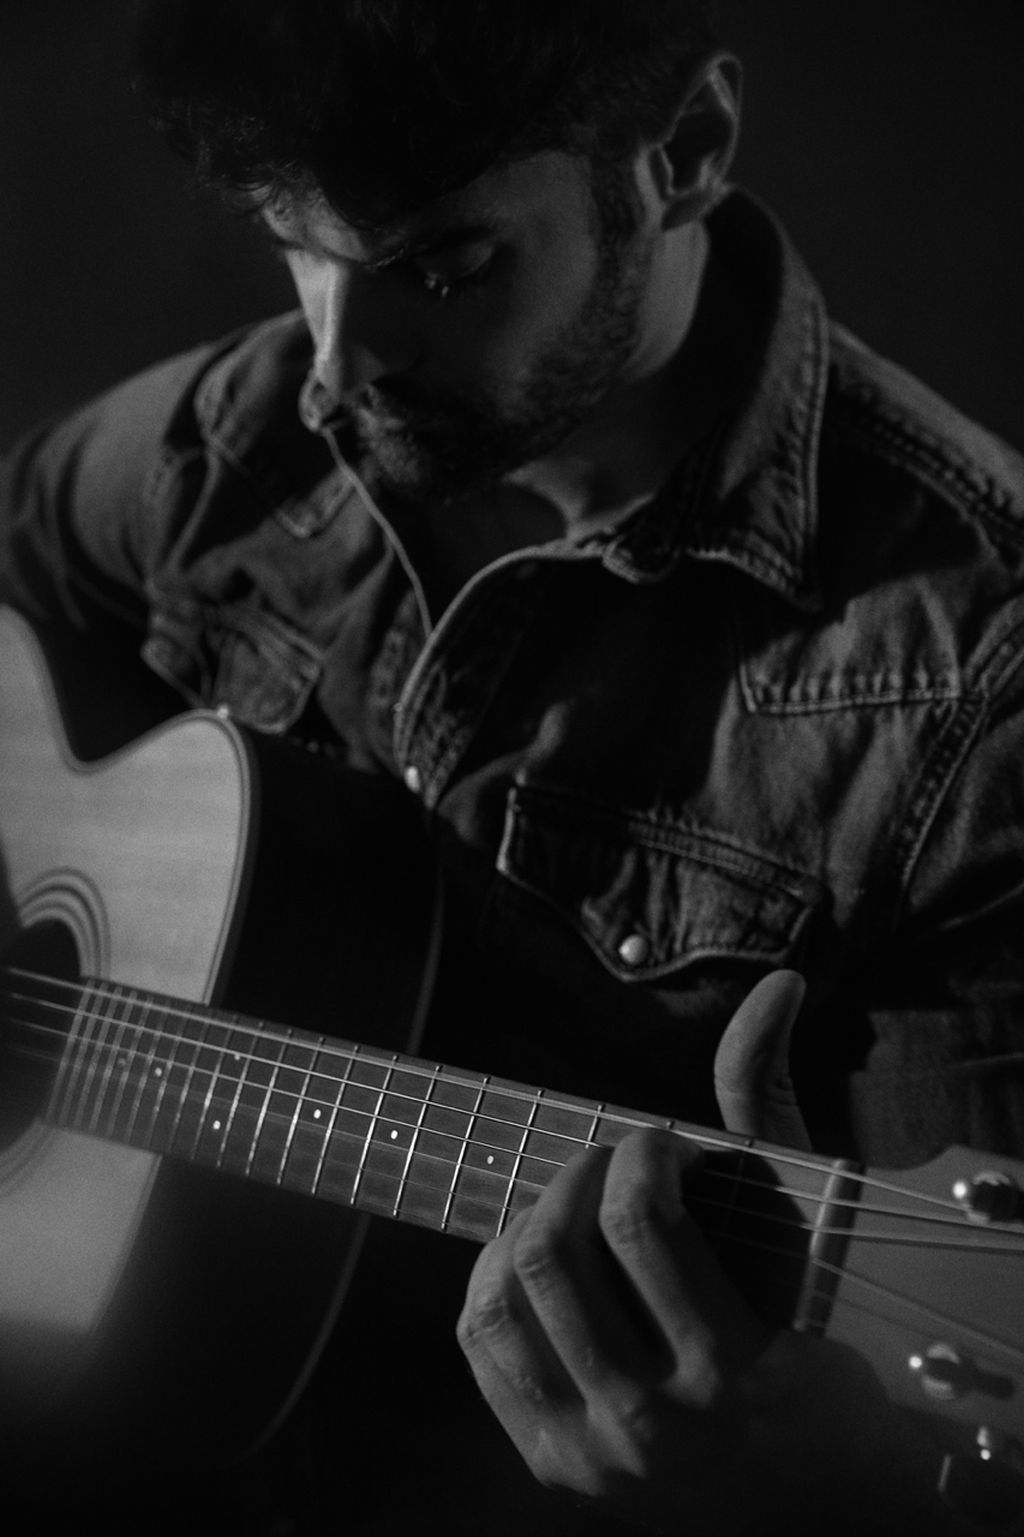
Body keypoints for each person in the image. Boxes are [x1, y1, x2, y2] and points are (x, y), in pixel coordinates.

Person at [2, 1, 1023, 1532]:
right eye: (297, 248)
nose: (334, 367)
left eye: (442, 269)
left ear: (684, 151)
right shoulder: (239, 437)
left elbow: (947, 1452)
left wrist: (787, 1483)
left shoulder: (978, 686)